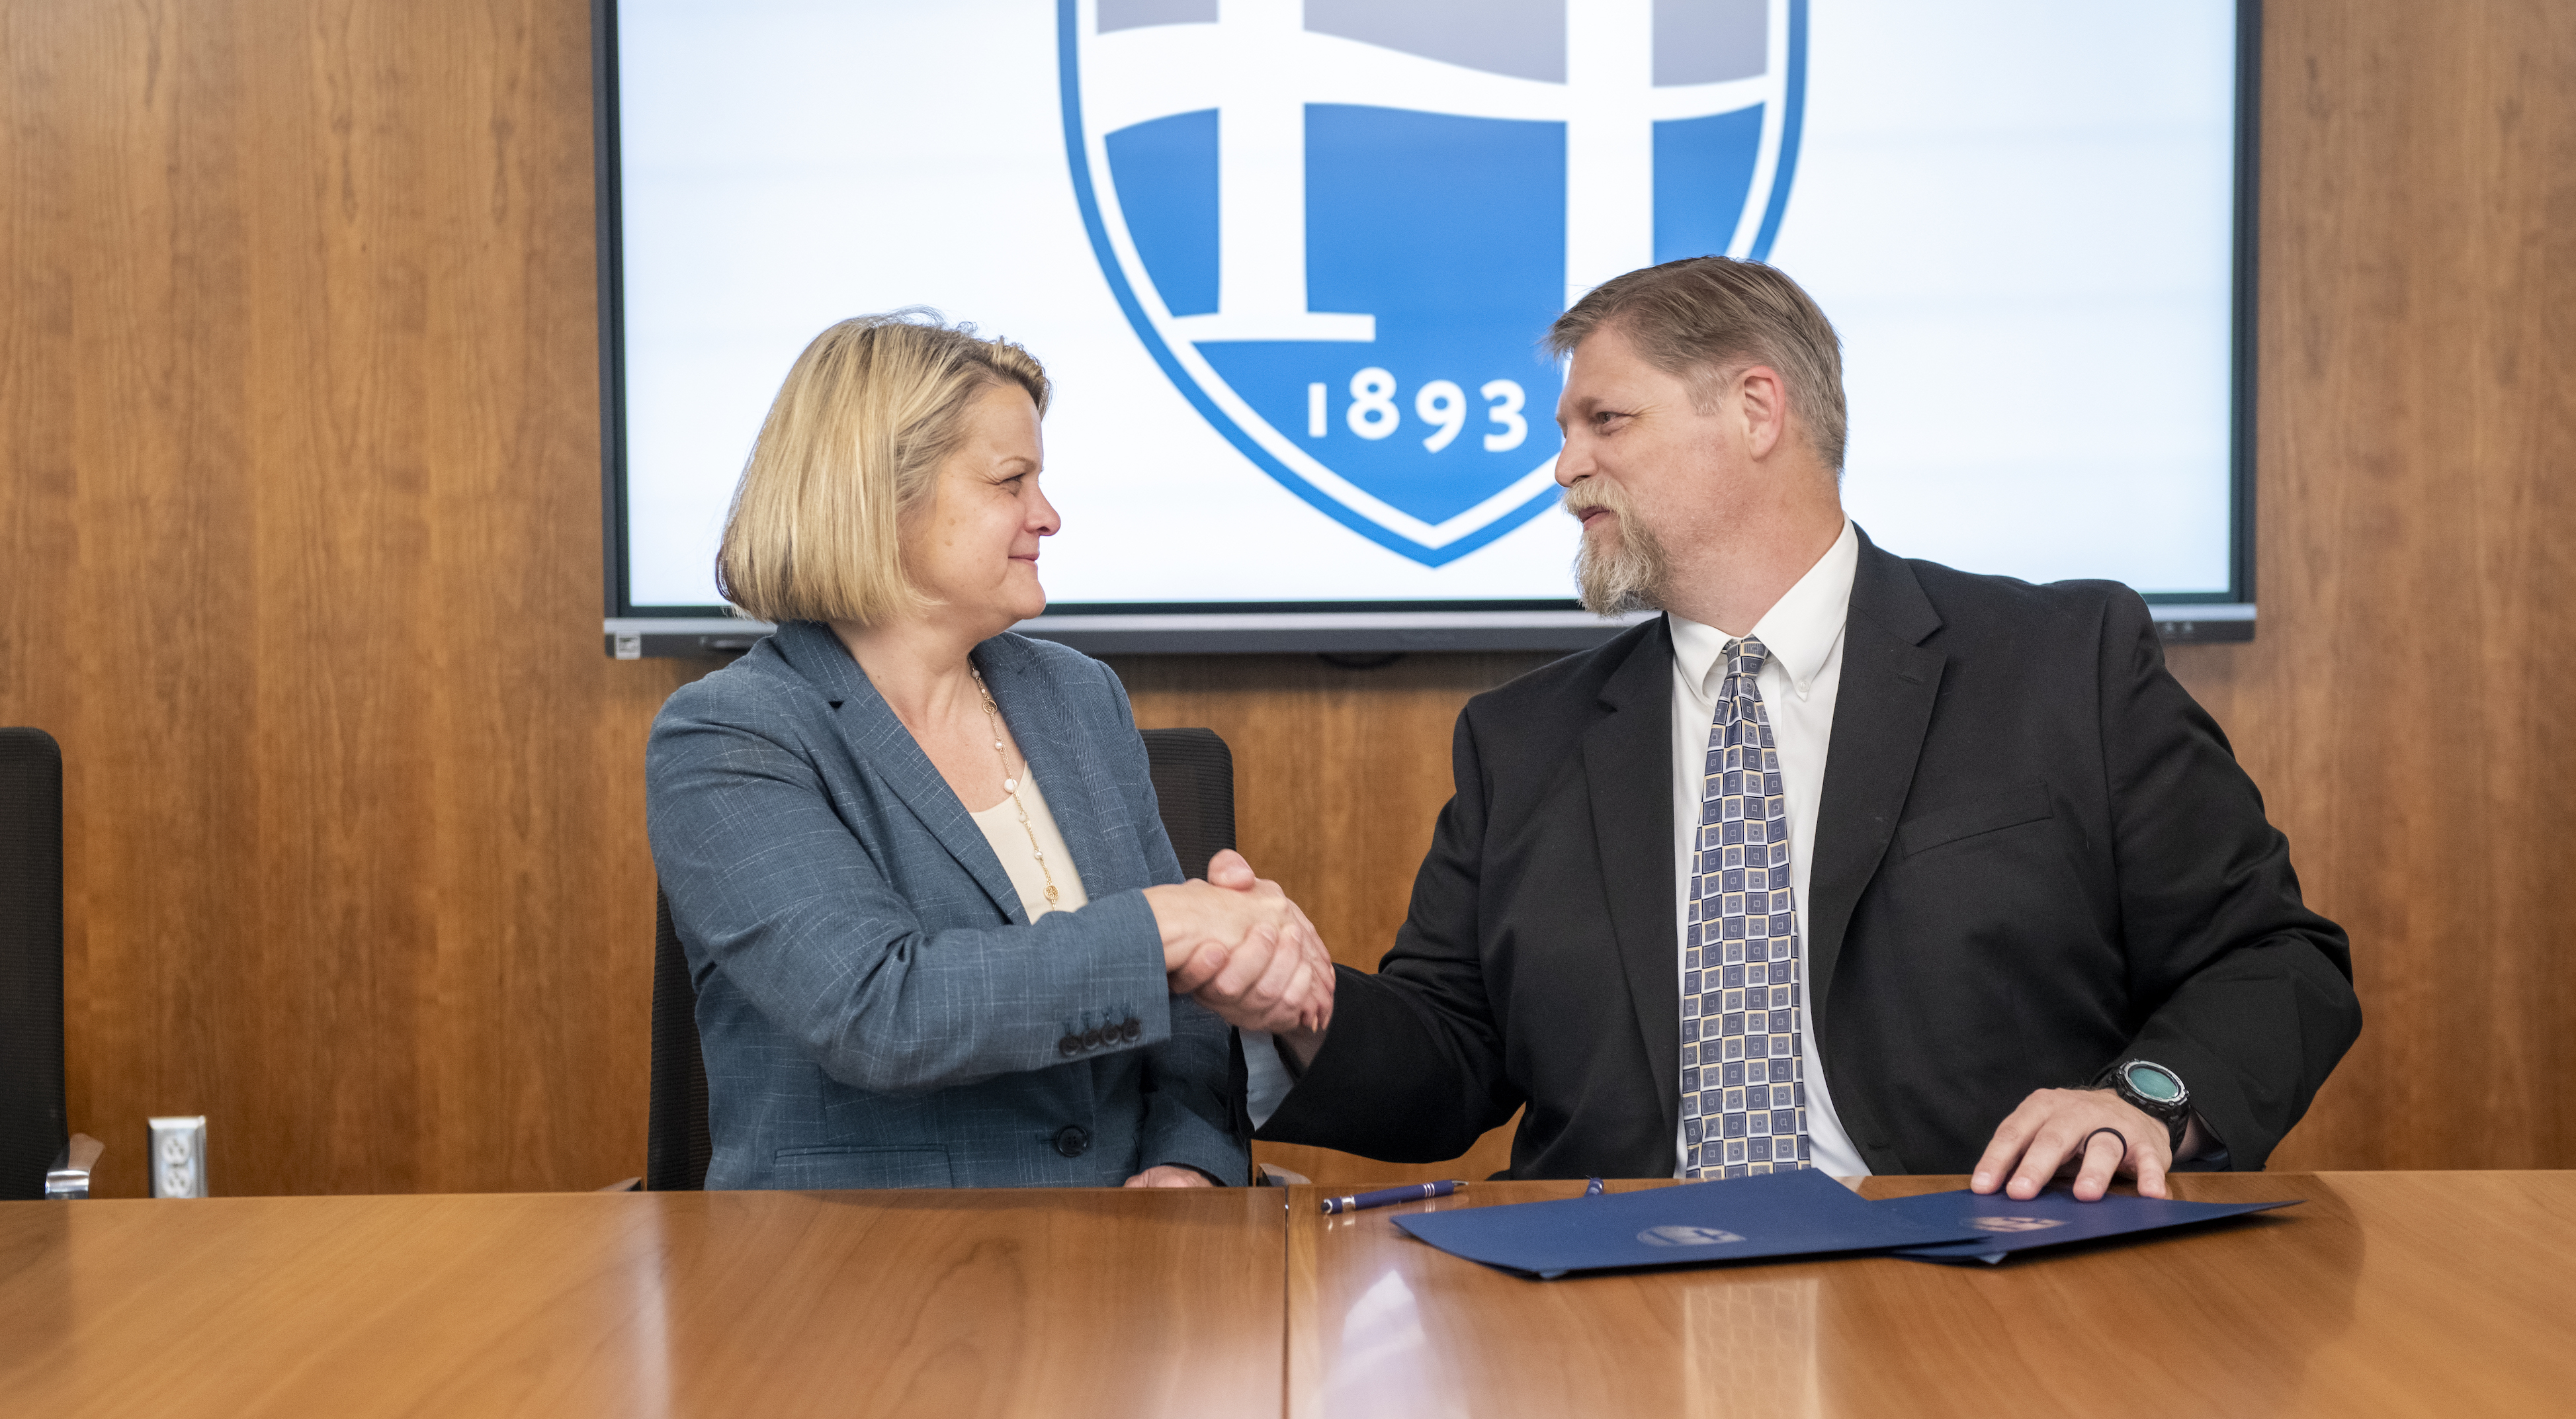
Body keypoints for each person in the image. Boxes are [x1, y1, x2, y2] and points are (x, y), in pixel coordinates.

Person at [1246, 258, 2359, 1200]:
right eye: (1565, 430)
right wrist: (1304, 1002)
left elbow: (2274, 962)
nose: (1563, 467)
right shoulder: (1521, 741)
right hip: (1609, 1315)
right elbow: (1450, 1067)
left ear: (1756, 410)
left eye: (1607, 421)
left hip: (1981, 1283)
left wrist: (2143, 1103)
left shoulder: (2060, 665)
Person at [647, 312, 1332, 1189]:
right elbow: (879, 1013)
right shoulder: (732, 735)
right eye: (1012, 481)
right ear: (879, 498)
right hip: (850, 1280)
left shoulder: (1078, 697)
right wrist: (1168, 922)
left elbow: (1186, 1011)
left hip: (1130, 1275)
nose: (1046, 516)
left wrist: (1186, 1163)